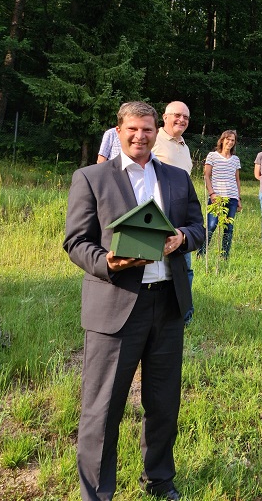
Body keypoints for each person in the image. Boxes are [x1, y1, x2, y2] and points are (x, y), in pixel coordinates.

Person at [63, 101, 205, 500]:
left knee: (163, 405)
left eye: (147, 129)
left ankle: (159, 480)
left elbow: (198, 226)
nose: (140, 136)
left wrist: (183, 238)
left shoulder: (177, 178)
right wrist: (107, 262)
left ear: (156, 130)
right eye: (132, 129)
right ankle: (96, 493)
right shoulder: (91, 178)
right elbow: (75, 242)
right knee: (103, 409)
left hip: (168, 305)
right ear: (118, 130)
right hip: (116, 307)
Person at [151, 102, 195, 308]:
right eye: (177, 115)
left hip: (182, 216)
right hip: (157, 214)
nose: (182, 120)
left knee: (184, 267)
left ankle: (183, 311)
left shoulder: (184, 146)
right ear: (165, 117)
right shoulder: (154, 139)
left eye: (186, 117)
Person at [200, 130, 242, 259]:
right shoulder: (212, 156)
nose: (230, 142)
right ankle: (201, 253)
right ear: (222, 140)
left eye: (232, 140)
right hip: (216, 197)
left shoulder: (235, 159)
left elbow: (237, 179)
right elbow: (206, 176)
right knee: (211, 226)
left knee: (229, 227)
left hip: (232, 197)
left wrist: (239, 198)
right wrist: (212, 194)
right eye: (228, 139)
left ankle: (224, 256)